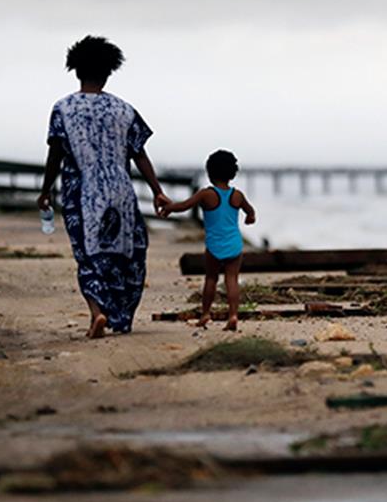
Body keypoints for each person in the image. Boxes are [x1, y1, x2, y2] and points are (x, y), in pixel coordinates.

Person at [37, 35, 172, 339]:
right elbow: (139, 153)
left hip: (80, 191)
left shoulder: (63, 109)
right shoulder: (123, 109)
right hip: (121, 192)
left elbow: (55, 154)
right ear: (110, 71)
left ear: (75, 69)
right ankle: (121, 317)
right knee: (127, 253)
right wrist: (157, 190)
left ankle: (97, 313)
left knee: (88, 254)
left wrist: (45, 191)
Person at [161, 150, 256, 331]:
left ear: (210, 173)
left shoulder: (206, 194)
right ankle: (233, 315)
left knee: (211, 279)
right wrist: (249, 218)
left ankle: (205, 314)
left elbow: (184, 206)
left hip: (214, 246)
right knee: (232, 279)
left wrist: (168, 208)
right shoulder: (238, 195)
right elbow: (250, 212)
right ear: (232, 173)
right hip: (234, 243)